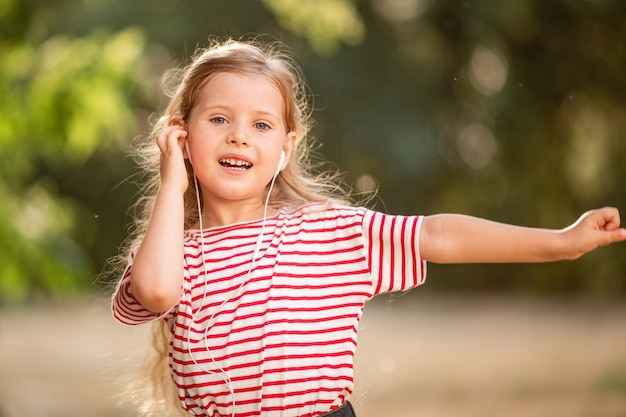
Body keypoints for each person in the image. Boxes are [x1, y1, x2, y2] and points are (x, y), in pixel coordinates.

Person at [111, 37, 626, 417]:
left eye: (261, 125)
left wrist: (559, 243)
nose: (239, 138)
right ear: (180, 136)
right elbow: (155, 293)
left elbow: (437, 236)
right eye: (219, 119)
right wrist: (169, 187)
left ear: (286, 147)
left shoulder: (329, 230)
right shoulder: (171, 250)